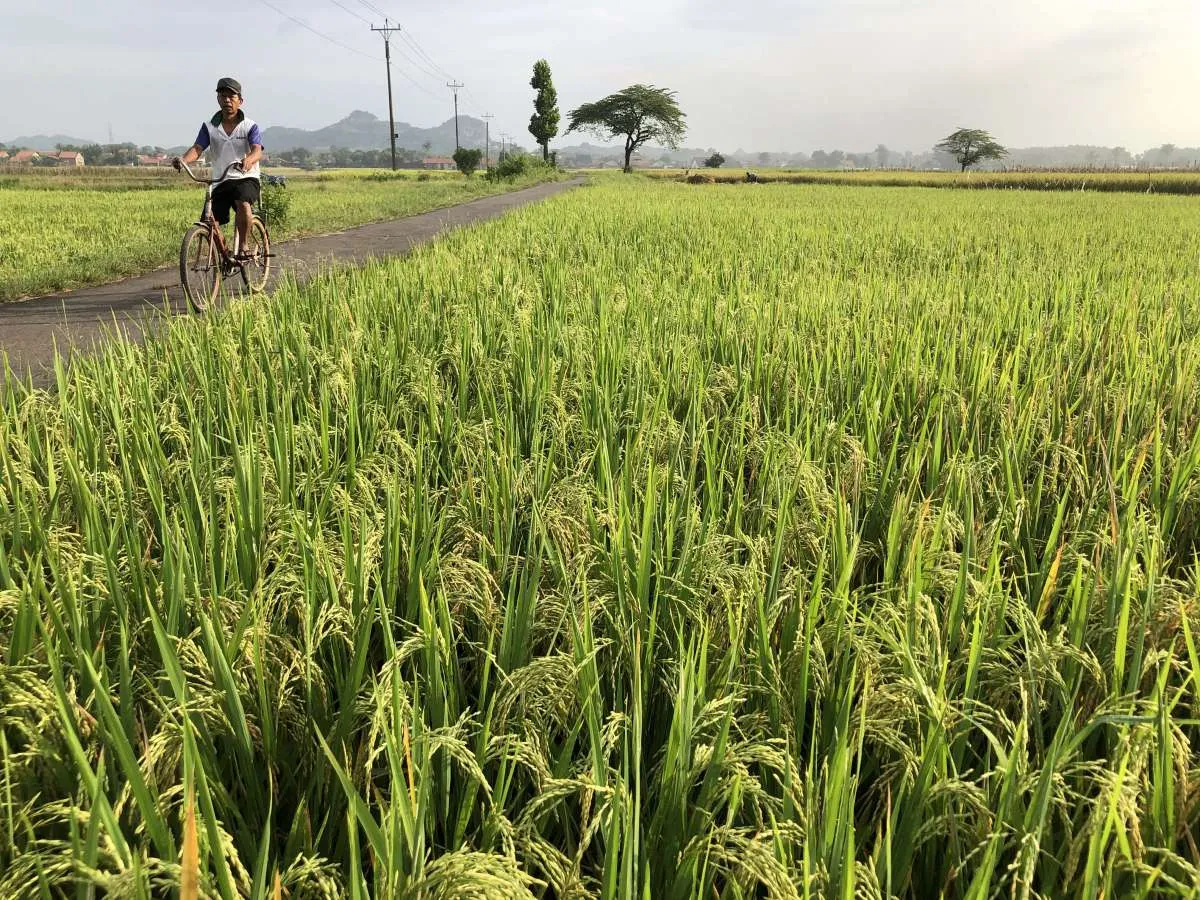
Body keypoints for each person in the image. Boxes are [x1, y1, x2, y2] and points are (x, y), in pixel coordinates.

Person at [174, 77, 264, 257]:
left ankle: (243, 246)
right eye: (223, 96)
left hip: (246, 178)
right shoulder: (209, 127)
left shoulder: (249, 126)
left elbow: (257, 150)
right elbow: (197, 148)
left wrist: (249, 161)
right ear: (218, 99)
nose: (227, 100)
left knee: (243, 203)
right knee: (209, 220)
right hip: (221, 180)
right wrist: (183, 160)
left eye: (232, 96)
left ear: (240, 100)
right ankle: (225, 253)